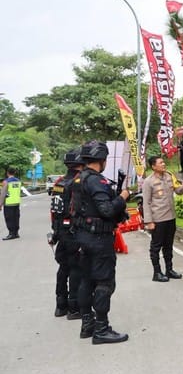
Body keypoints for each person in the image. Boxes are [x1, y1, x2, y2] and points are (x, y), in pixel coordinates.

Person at [72, 141, 129, 344]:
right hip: (99, 239)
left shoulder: (79, 179)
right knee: (104, 282)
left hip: (83, 237)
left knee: (87, 280)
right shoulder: (97, 181)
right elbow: (106, 210)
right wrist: (122, 197)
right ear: (102, 160)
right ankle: (101, 328)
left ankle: (87, 323)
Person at [48, 149, 85, 319]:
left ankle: (60, 305)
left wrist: (55, 232)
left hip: (60, 231)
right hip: (74, 231)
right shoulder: (78, 183)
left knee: (63, 268)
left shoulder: (59, 183)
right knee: (76, 268)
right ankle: (74, 307)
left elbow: (54, 211)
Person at [142, 156, 183, 282]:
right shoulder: (148, 182)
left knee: (168, 246)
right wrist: (149, 221)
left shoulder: (169, 176)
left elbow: (178, 191)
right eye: (161, 163)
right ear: (153, 166)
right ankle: (157, 272)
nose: (164, 164)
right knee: (156, 247)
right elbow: (146, 203)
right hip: (158, 219)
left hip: (170, 217)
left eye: (163, 162)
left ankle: (169, 270)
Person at [0, 167, 21, 240]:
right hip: (16, 203)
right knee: (16, 218)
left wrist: (0, 204)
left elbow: (3, 194)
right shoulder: (18, 181)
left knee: (9, 219)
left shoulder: (6, 182)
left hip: (9, 203)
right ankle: (16, 233)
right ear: (14, 173)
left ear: (7, 173)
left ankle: (11, 234)